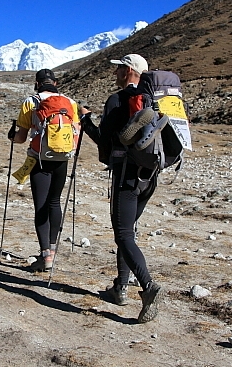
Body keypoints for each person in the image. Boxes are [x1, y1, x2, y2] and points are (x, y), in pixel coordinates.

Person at [79, 53, 164, 323]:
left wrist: (86, 122)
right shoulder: (154, 98)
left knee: (124, 234)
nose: (114, 73)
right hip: (149, 175)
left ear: (129, 70)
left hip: (125, 175)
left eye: (118, 69)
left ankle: (149, 288)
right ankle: (120, 288)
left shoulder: (117, 100)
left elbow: (104, 143)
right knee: (128, 233)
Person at [8, 69, 80, 272]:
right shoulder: (70, 102)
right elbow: (76, 131)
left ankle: (45, 256)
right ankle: (54, 251)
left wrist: (11, 136)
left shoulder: (31, 102)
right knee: (55, 202)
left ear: (37, 84)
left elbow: (21, 138)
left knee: (41, 205)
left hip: (39, 159)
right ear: (56, 83)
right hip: (62, 159)